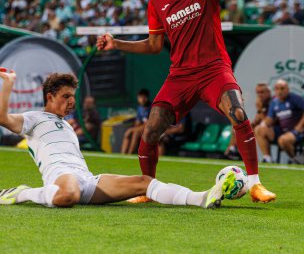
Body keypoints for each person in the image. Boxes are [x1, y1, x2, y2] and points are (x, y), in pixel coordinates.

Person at [97, 0, 289, 203]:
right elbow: (153, 45)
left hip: (213, 69)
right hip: (180, 75)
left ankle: (256, 185)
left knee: (237, 112)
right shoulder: (157, 1)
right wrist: (117, 43)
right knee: (150, 129)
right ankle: (146, 189)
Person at [0, 68, 236, 209]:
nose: (72, 101)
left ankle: (202, 198)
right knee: (67, 196)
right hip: (61, 176)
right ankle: (21, 193)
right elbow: (3, 117)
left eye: (73, 96)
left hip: (87, 178)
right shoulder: (34, 118)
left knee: (143, 182)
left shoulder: (68, 126)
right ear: (49, 97)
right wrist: (8, 84)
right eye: (66, 96)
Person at [255, 79, 304, 163]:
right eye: (277, 89)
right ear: (274, 90)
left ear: (287, 89)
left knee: (283, 140)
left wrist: (298, 127)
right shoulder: (274, 102)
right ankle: (267, 158)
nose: (280, 91)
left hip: (297, 131)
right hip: (281, 131)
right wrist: (260, 110)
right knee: (258, 129)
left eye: (282, 88)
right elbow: (269, 120)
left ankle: (294, 159)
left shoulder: (295, 98)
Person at [225, 82, 272, 159]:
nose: (260, 95)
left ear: (269, 92)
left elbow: (268, 122)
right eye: (258, 93)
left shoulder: (273, 102)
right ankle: (232, 149)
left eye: (262, 92)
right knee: (238, 127)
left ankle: (267, 158)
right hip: (262, 128)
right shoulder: (261, 103)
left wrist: (260, 110)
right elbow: (257, 119)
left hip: (273, 129)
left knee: (258, 129)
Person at [121, 89, 151, 154]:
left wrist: (133, 130)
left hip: (150, 131)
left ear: (147, 98)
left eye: (144, 97)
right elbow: (138, 122)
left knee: (135, 133)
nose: (142, 99)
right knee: (128, 133)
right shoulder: (140, 108)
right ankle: (122, 155)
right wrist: (134, 128)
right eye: (140, 97)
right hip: (142, 129)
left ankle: (130, 155)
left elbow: (148, 125)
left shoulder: (151, 108)